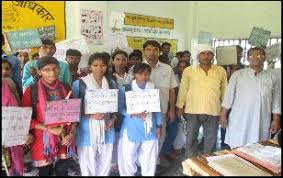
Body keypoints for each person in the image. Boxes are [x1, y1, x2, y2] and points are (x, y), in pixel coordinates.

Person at [22, 56, 77, 176]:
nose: (52, 72)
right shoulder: (31, 91)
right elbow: (26, 119)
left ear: (59, 69)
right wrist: (50, 129)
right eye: (46, 69)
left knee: (62, 170)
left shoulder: (66, 87)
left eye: (55, 68)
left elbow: (74, 113)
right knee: (45, 171)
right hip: (42, 141)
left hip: (65, 137)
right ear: (39, 72)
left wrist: (72, 133)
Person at [220, 47, 281, 149]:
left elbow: (276, 100)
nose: (255, 58)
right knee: (237, 145)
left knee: (258, 147)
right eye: (252, 56)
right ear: (247, 59)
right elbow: (228, 96)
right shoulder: (238, 75)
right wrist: (223, 114)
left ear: (264, 58)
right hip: (240, 118)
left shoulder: (272, 76)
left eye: (259, 56)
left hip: (261, 119)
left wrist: (276, 119)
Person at [176, 44, 227, 158]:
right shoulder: (189, 70)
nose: (206, 56)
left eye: (209, 54)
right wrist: (180, 107)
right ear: (198, 56)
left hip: (213, 110)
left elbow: (224, 91)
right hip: (192, 110)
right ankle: (191, 163)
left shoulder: (220, 71)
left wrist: (224, 110)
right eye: (203, 53)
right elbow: (183, 89)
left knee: (210, 140)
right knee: (191, 139)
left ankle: (208, 165)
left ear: (213, 56)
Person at [72, 53, 118, 176]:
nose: (99, 68)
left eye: (103, 65)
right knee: (87, 160)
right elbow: (73, 108)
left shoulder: (112, 83)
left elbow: (114, 107)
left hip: (107, 126)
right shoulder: (80, 84)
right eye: (95, 65)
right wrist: (90, 116)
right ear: (90, 67)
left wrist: (113, 118)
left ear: (107, 66)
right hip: (87, 128)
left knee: (105, 158)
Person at [117, 63, 162, 176]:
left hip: (150, 127)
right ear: (135, 74)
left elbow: (157, 108)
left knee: (149, 157)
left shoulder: (153, 88)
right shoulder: (126, 88)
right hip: (131, 127)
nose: (144, 77)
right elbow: (120, 108)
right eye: (141, 74)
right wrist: (133, 113)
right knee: (128, 157)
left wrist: (159, 125)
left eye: (147, 74)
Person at [141, 40, 178, 171]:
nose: (152, 52)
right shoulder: (136, 68)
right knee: (143, 137)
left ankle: (154, 161)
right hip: (142, 113)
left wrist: (172, 109)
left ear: (159, 51)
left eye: (155, 50)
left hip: (161, 110)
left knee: (160, 136)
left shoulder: (167, 69)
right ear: (144, 51)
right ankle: (142, 164)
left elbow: (172, 90)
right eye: (149, 49)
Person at [2, 59, 33, 176]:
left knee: (15, 163)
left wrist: (25, 130)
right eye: (2, 69)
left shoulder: (11, 83)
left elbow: (19, 109)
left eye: (7, 69)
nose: (4, 71)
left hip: (13, 133)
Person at [219, 45, 245, 149]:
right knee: (224, 122)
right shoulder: (222, 68)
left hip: (239, 102)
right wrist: (230, 70)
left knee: (236, 124)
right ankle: (224, 145)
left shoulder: (244, 68)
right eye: (235, 52)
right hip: (225, 100)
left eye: (239, 53)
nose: (238, 55)